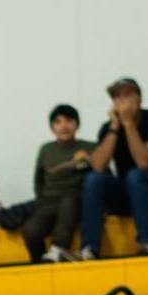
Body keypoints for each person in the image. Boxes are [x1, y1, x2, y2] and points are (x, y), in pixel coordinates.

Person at [81, 77, 148, 258]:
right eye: (117, 97)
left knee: (136, 175)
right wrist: (116, 126)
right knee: (94, 180)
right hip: (133, 194)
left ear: (139, 99)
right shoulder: (108, 128)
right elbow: (98, 166)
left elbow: (144, 163)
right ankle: (89, 248)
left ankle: (146, 243)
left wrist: (129, 124)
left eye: (127, 95)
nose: (122, 101)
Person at [22, 104, 95, 262]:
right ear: (52, 128)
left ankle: (58, 249)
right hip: (49, 202)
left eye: (69, 121)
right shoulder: (46, 149)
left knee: (69, 201)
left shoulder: (90, 147)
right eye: (58, 122)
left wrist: (89, 160)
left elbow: (102, 176)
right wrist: (41, 202)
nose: (64, 126)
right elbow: (38, 180)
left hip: (75, 199)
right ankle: (40, 264)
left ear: (77, 124)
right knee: (31, 230)